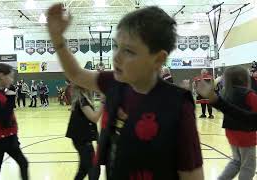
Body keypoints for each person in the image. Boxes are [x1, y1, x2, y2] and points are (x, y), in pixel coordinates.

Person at [47, 4, 204, 180]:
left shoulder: (178, 105)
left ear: (158, 59)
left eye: (128, 51)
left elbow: (192, 174)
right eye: (116, 46)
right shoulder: (113, 82)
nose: (116, 57)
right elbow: (75, 74)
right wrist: (57, 38)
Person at [216, 66, 256, 180]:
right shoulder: (248, 94)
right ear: (244, 78)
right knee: (248, 166)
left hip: (231, 133)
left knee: (236, 161)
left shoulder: (225, 93)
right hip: (246, 134)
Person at [66, 85, 103, 180]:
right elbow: (94, 118)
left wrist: (97, 137)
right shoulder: (82, 100)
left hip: (81, 139)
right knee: (94, 169)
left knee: (83, 169)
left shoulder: (83, 98)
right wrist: (103, 102)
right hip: (82, 141)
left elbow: (89, 122)